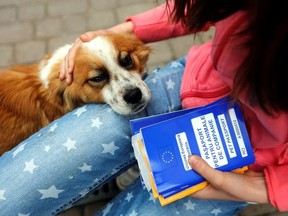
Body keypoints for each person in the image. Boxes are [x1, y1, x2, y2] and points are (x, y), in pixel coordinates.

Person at [0, 0, 287, 215]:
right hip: (196, 82)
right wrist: (124, 30)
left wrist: (271, 186)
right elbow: (205, 6)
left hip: (254, 157)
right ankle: (120, 172)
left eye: (126, 62)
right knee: (9, 197)